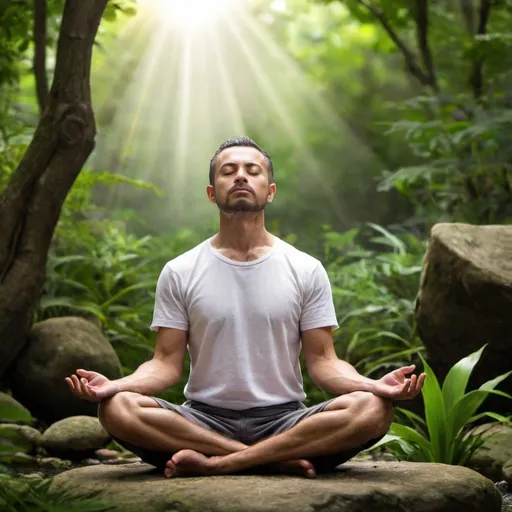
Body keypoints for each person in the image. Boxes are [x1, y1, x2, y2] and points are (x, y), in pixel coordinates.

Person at [66, 136, 425, 479]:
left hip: (284, 419)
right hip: (203, 420)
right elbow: (165, 364)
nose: (240, 175)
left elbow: (324, 363)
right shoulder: (180, 271)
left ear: (270, 191)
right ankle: (272, 459)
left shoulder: (305, 268)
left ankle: (221, 463)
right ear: (212, 193)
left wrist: (373, 385)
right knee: (116, 408)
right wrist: (115, 386)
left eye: (253, 170)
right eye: (228, 170)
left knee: (373, 408)